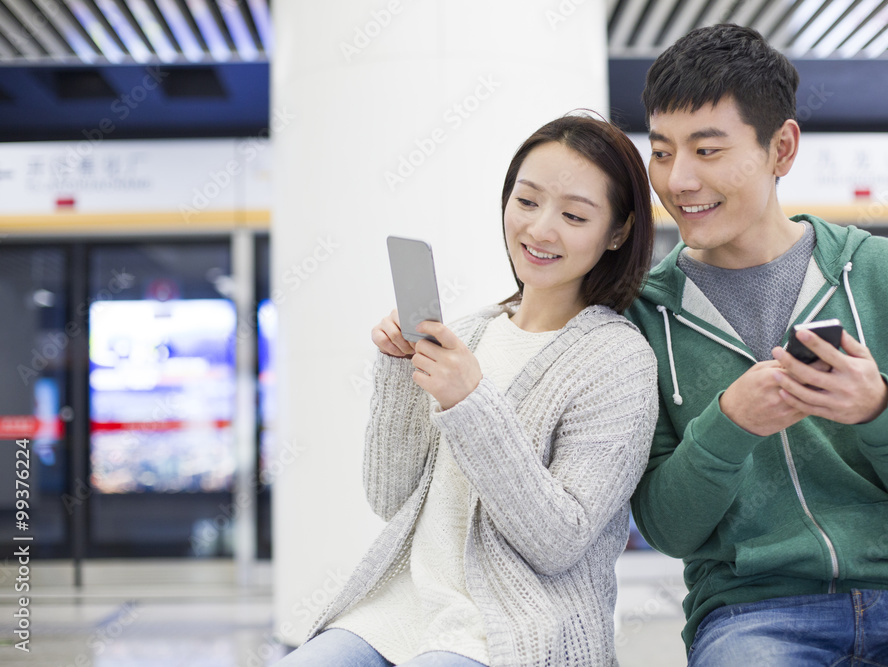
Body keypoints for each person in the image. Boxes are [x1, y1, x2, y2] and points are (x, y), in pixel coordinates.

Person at [626, 23, 888, 667]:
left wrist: (881, 409)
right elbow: (668, 529)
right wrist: (730, 424)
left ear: (782, 148)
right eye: (661, 151)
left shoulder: (883, 272)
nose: (678, 179)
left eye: (707, 150)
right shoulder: (644, 311)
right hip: (750, 617)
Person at [278, 114, 658, 667]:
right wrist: (395, 373)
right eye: (526, 201)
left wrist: (469, 404)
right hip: (399, 611)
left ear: (618, 232)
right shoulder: (472, 332)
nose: (541, 229)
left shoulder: (618, 360)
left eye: (574, 215)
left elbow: (558, 542)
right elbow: (390, 499)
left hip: (511, 630)